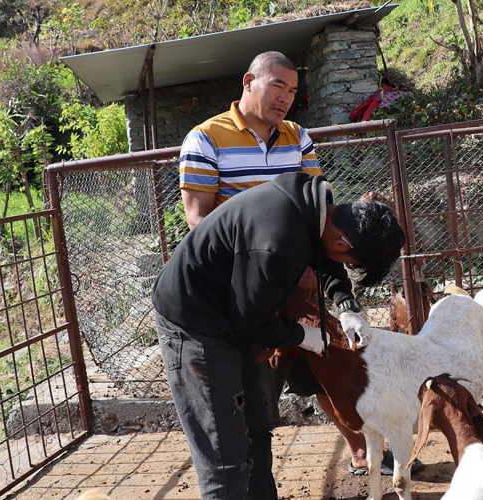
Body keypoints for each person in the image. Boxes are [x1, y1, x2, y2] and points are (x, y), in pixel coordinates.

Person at [176, 51, 417, 479]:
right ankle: (251, 463)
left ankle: (361, 450)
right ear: (249, 81)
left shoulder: (298, 137)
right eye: (277, 86)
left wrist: (342, 301)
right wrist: (273, 258)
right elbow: (199, 221)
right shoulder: (205, 139)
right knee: (256, 384)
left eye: (292, 90)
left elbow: (318, 214)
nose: (285, 98)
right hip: (243, 284)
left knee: (328, 361)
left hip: (297, 277)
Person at [153, 172, 405, 500]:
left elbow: (325, 260)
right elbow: (251, 322)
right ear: (343, 243)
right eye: (351, 261)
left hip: (231, 317)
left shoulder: (318, 210)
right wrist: (303, 336)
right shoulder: (278, 241)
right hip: (195, 324)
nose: (344, 263)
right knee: (224, 456)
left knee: (255, 434)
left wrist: (345, 303)